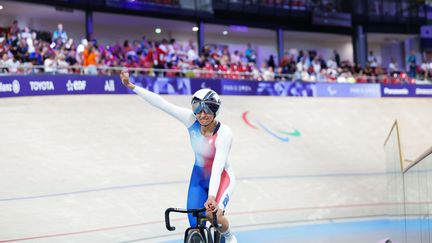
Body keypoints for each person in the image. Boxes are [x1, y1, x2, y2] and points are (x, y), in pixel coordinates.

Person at [119, 71, 237, 243]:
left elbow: (218, 167)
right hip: (198, 177)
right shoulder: (190, 119)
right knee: (195, 223)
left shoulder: (225, 133)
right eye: (198, 109)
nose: (202, 115)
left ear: (215, 111)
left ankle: (229, 237)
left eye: (207, 110)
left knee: (214, 216)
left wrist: (211, 196)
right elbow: (162, 104)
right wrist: (132, 86)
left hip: (222, 178)